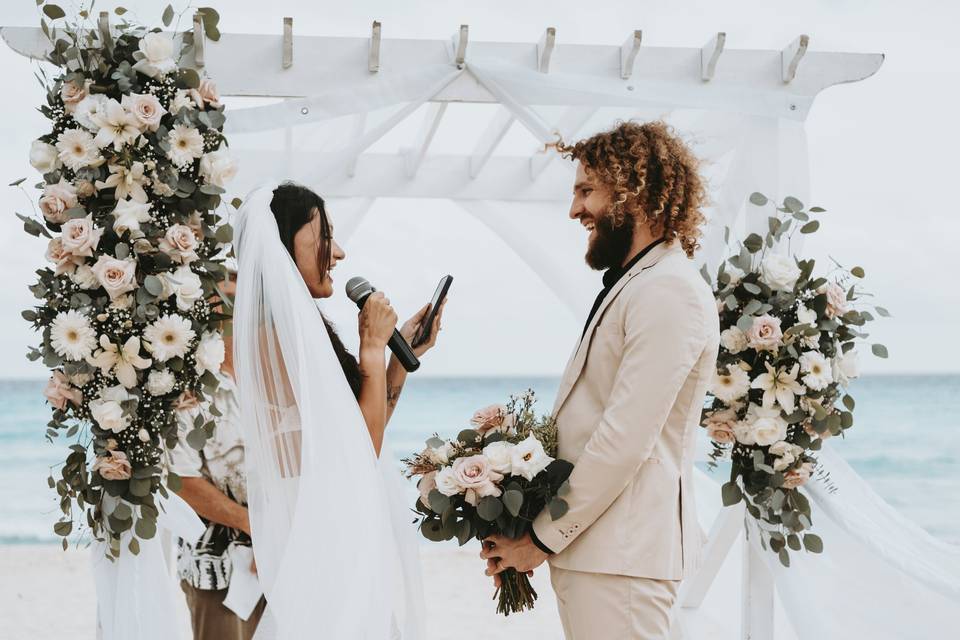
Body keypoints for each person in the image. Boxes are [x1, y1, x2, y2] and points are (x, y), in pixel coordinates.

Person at [481, 121, 720, 639]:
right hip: (603, 552)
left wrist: (541, 540)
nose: (574, 210)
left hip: (623, 557)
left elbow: (622, 440)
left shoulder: (668, 291)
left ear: (634, 193)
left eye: (586, 191)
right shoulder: (640, 281)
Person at [231, 181, 440, 637]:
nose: (339, 252)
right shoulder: (272, 339)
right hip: (323, 538)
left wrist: (397, 360)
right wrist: (371, 347)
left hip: (344, 525)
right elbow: (359, 448)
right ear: (286, 247)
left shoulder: (302, 328)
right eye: (325, 237)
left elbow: (360, 428)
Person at [169, 270, 267, 640]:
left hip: (285, 558)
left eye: (242, 299)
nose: (233, 308)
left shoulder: (268, 378)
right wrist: (256, 528)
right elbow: (182, 480)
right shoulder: (186, 388)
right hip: (217, 569)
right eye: (224, 297)